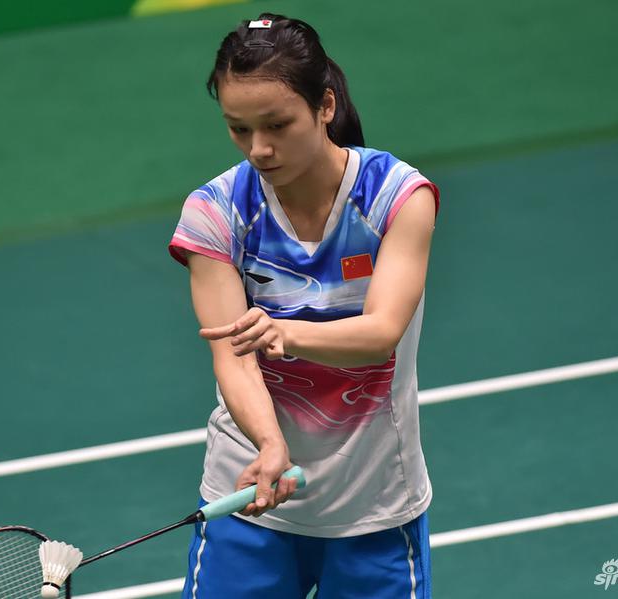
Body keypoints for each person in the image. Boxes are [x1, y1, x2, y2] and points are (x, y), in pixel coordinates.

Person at [168, 13, 439, 599]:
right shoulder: (215, 213)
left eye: (277, 125)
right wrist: (270, 444)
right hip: (251, 495)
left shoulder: (396, 197)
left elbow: (381, 333)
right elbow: (232, 358)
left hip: (373, 504)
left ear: (325, 106)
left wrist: (283, 333)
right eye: (239, 129)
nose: (259, 149)